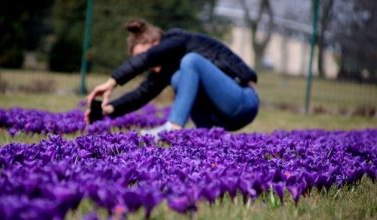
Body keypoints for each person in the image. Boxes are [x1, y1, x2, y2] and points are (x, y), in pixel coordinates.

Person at [86, 19, 259, 136]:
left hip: (243, 101)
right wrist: (106, 110)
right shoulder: (167, 67)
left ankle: (173, 128)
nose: (144, 65)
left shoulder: (178, 40)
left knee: (191, 61)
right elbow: (141, 94)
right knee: (178, 78)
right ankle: (207, 135)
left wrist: (112, 81)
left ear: (155, 44)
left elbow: (150, 57)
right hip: (220, 118)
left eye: (142, 56)